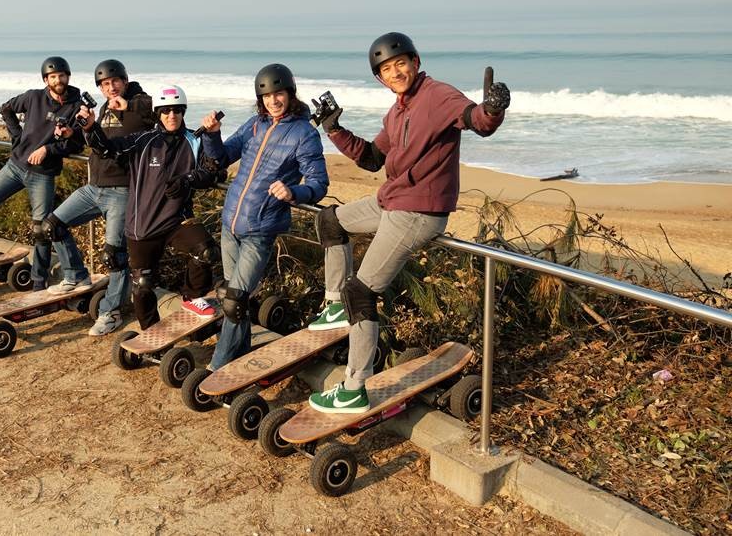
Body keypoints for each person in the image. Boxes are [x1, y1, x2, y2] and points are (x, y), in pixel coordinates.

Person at [307, 32, 510, 414]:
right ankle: (333, 305)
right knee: (330, 221)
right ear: (380, 78)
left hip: (418, 211)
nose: (396, 72)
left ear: (415, 62)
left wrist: (494, 109)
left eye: (401, 63)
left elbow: (476, 121)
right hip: (392, 201)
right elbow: (371, 158)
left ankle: (353, 387)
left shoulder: (437, 95)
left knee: (361, 293)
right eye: (386, 69)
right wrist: (334, 129)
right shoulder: (397, 110)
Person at [206, 63, 329, 371]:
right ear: (260, 99)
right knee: (231, 297)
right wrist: (212, 135)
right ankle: (242, 355)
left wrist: (294, 192)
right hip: (231, 221)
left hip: (260, 229)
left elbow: (319, 182)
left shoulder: (305, 134)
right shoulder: (255, 124)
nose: (274, 101)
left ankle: (217, 368)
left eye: (279, 94)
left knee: (234, 298)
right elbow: (222, 156)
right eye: (267, 96)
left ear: (290, 94)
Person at [77, 84, 224, 330]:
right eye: (165, 111)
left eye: (177, 110)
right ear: (158, 113)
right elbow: (106, 149)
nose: (172, 116)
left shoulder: (193, 140)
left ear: (183, 112)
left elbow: (212, 173)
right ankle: (151, 332)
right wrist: (91, 127)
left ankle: (192, 299)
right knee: (143, 284)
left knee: (206, 250)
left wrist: (188, 179)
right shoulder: (142, 141)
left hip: (177, 220)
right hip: (143, 225)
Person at [41, 59, 155, 336]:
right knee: (52, 225)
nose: (111, 87)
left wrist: (127, 106)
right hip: (94, 187)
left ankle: (111, 312)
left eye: (116, 81)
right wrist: (73, 133)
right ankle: (75, 275)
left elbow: (156, 117)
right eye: (105, 84)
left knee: (114, 255)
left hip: (122, 190)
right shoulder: (103, 108)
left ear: (125, 81)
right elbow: (95, 140)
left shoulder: (141, 101)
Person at [0, 56, 86, 291]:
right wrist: (17, 136)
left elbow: (77, 145)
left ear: (68, 77)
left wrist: (48, 149)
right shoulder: (33, 97)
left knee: (41, 229)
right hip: (15, 167)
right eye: (52, 77)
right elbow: (6, 109)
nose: (57, 80)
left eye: (61, 75)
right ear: (45, 79)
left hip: (43, 174)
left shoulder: (76, 108)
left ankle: (38, 278)